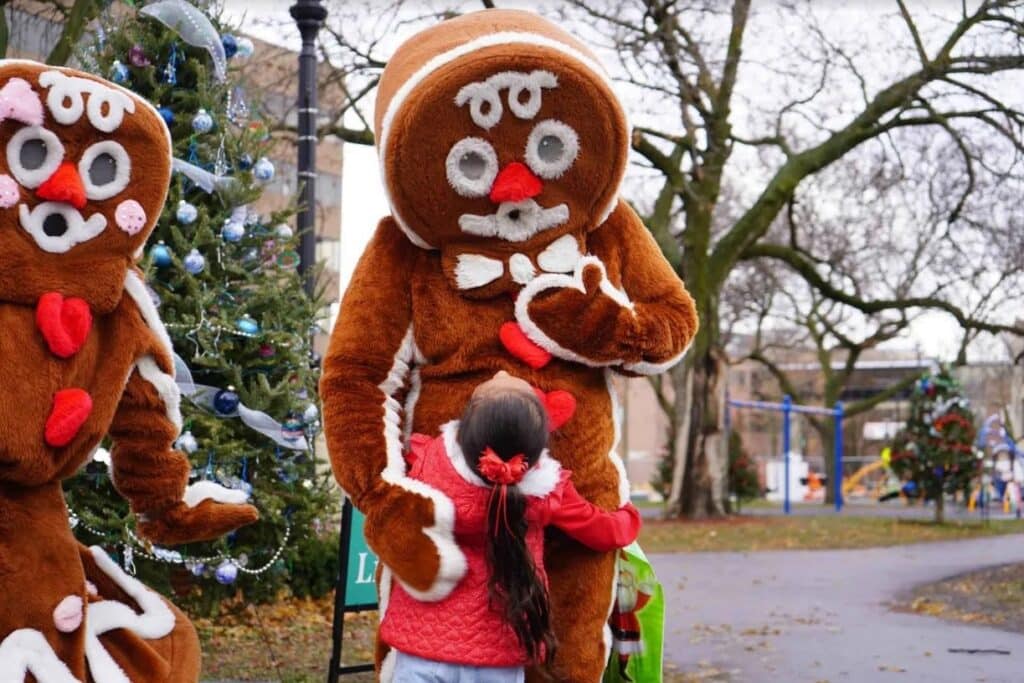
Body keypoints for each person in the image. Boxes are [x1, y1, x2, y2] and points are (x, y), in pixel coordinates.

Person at [379, 371, 642, 682]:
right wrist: (628, 515)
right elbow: (607, 531)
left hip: (420, 647)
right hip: (498, 657)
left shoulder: (424, 462)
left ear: (467, 427)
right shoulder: (545, 494)